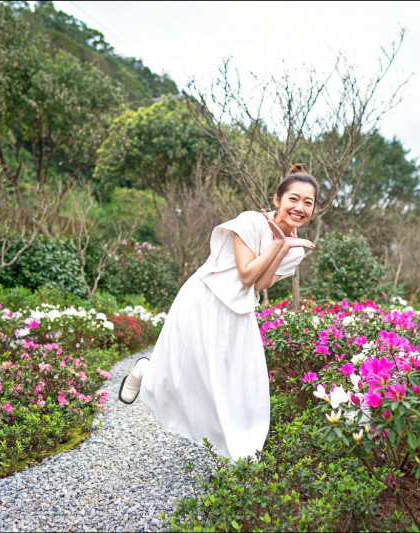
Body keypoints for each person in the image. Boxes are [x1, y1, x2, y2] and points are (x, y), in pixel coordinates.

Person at [118, 164, 318, 461]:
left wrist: (285, 248)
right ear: (277, 199)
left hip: (239, 312)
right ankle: (148, 373)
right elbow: (247, 275)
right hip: (206, 299)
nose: (300, 207)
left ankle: (239, 452)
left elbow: (261, 284)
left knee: (236, 382)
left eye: (308, 202)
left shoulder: (297, 250)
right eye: (294, 198)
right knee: (191, 372)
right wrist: (278, 243)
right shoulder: (251, 222)